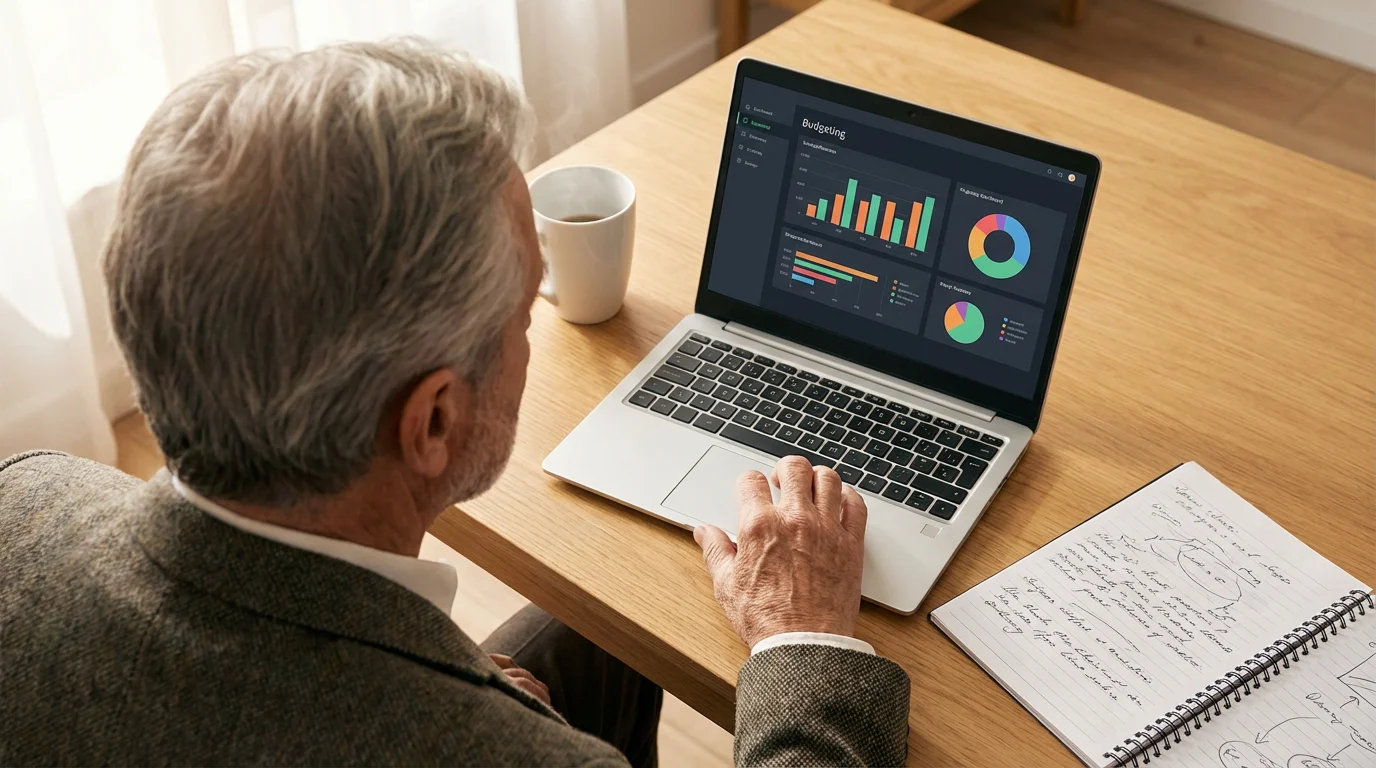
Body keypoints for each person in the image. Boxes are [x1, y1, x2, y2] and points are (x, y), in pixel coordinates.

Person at [0, 40, 909, 766]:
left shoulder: (22, 497)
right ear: (432, 422)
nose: (528, 337)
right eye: (524, 315)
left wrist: (457, 675)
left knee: (600, 640)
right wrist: (803, 645)